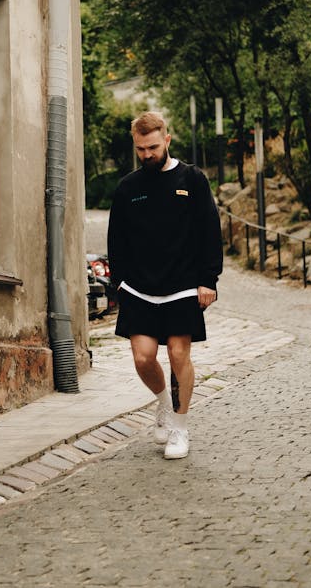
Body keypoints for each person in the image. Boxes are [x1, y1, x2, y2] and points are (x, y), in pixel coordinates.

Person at [107, 111, 223, 459]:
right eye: (141, 149)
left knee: (177, 354)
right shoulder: (128, 188)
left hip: (184, 285)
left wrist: (208, 280)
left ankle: (179, 428)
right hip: (140, 289)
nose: (147, 155)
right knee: (143, 358)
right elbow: (118, 240)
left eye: (153, 147)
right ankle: (163, 404)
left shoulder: (193, 179)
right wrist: (120, 284)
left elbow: (209, 231)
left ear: (167, 140)